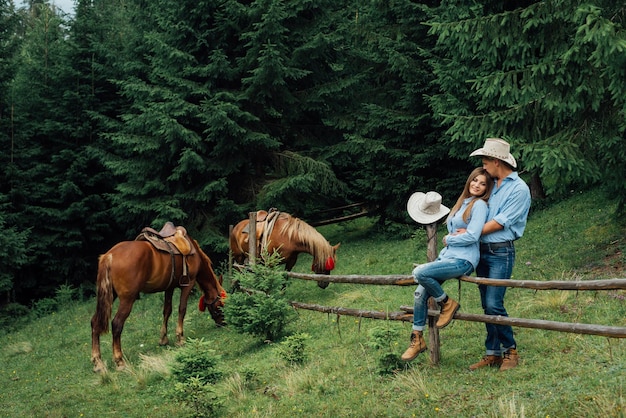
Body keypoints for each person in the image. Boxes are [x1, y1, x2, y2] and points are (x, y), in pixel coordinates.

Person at [401, 168, 493, 362]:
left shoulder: (480, 205)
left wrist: (450, 239)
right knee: (419, 294)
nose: (477, 185)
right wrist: (452, 239)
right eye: (474, 180)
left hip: (463, 260)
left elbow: (473, 235)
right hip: (448, 258)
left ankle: (447, 303)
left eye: (482, 183)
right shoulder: (463, 203)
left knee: (420, 272)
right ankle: (417, 338)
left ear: (487, 188)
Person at [467, 138, 531, 372]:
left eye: (485, 161)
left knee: (494, 303)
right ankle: (492, 353)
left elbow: (498, 223)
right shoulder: (491, 184)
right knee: (486, 303)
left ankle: (510, 350)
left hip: (500, 251)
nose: (483, 167)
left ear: (496, 161)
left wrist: (470, 232)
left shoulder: (519, 189)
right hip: (481, 249)